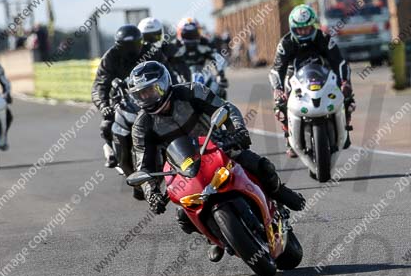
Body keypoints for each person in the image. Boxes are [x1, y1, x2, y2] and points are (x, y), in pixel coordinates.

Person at [129, 61, 305, 262]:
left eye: (150, 91)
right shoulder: (141, 126)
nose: (146, 97)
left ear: (163, 83)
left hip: (216, 146)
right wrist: (152, 193)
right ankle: (212, 238)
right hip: (183, 167)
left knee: (260, 165)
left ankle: (279, 192)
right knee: (183, 218)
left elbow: (224, 108)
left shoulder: (191, 91)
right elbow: (143, 165)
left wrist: (238, 131)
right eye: (141, 94)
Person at [269, 4, 354, 158]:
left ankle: (345, 126)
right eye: (300, 29)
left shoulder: (324, 39)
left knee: (347, 95)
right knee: (279, 104)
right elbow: (276, 69)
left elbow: (339, 62)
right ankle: (289, 136)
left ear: (313, 26)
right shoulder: (286, 43)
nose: (304, 32)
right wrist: (278, 89)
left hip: (323, 75)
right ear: (293, 28)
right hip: (295, 77)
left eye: (307, 28)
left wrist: (345, 82)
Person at [91, 25, 171, 171]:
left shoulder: (152, 52)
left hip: (152, 95)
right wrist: (104, 106)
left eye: (135, 45)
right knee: (107, 125)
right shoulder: (110, 57)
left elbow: (167, 72)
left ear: (141, 42)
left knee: (175, 114)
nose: (132, 49)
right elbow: (99, 86)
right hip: (121, 99)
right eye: (127, 46)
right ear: (118, 46)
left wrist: (173, 90)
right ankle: (113, 151)